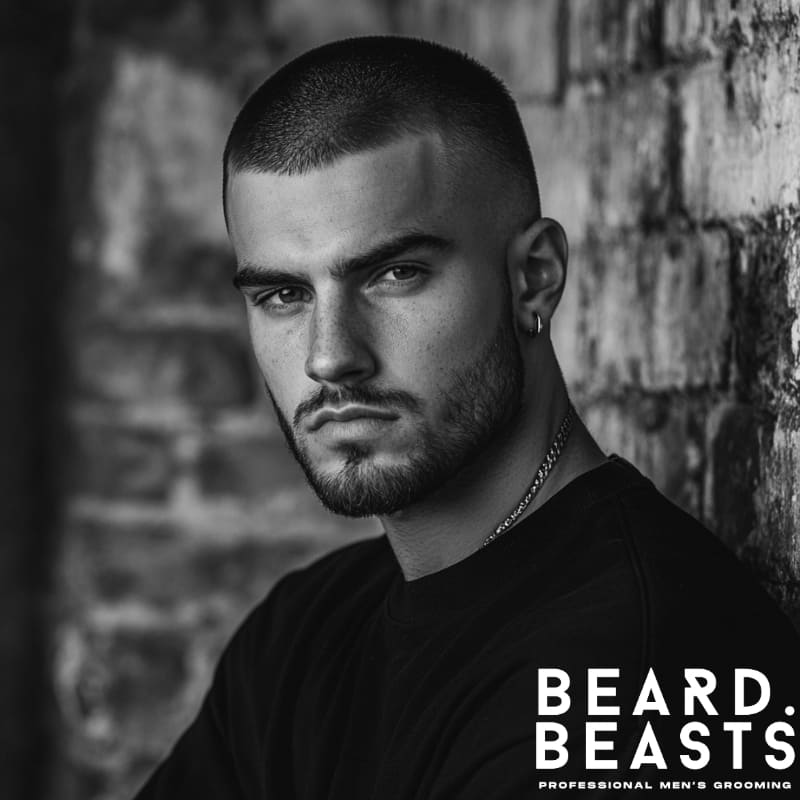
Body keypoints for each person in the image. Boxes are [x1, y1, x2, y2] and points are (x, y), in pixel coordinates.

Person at [134, 36, 800, 798]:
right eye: (283, 296)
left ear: (534, 279)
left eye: (394, 274)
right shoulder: (301, 636)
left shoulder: (643, 677)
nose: (329, 359)